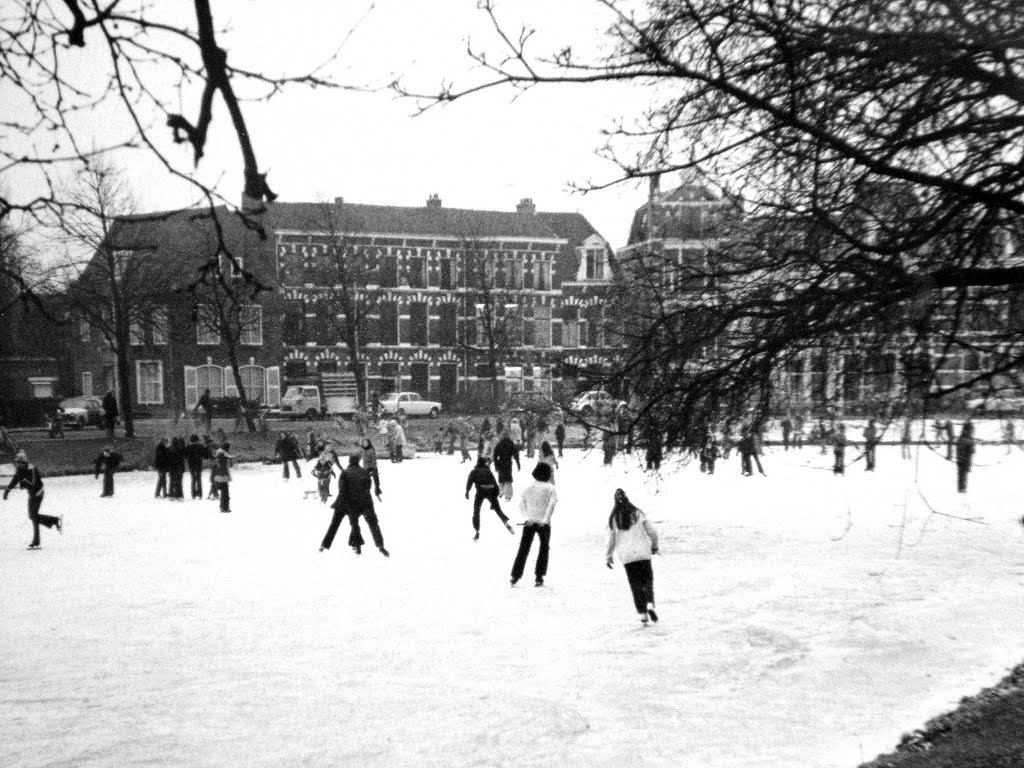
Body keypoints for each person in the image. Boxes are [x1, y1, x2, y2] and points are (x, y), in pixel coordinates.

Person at [605, 488, 660, 624]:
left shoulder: (614, 519)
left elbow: (611, 539)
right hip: (643, 553)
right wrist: (654, 545)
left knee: (635, 584)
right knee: (647, 580)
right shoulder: (638, 513)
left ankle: (642, 613)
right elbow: (652, 531)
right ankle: (650, 604)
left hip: (627, 556)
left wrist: (608, 556)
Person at [320, 452, 389, 557]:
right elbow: (368, 487)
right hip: (365, 502)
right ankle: (380, 545)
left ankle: (325, 545)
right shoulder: (365, 472)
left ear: (349, 461)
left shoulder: (345, 472)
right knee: (373, 525)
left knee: (336, 525)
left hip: (345, 502)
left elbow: (342, 489)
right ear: (358, 461)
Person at [510, 462, 557, 587]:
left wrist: (526, 518)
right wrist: (545, 520)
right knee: (544, 548)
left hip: (529, 522)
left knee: (524, 548)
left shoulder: (529, 487)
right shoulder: (551, 488)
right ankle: (539, 576)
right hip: (544, 524)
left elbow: (521, 504)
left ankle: (515, 575)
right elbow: (551, 505)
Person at [4, 451, 61, 549]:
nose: (17, 464)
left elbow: (33, 483)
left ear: (24, 462)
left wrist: (24, 481)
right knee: (32, 516)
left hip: (38, 493)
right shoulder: (20, 470)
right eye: (16, 463)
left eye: (19, 463)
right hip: (32, 494)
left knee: (33, 516)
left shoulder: (32, 469)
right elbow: (15, 479)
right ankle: (54, 520)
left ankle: (36, 542)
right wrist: (7, 490)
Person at [465, 456, 514, 540]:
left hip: (480, 491)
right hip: (491, 490)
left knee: (476, 511)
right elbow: (495, 483)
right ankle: (504, 520)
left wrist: (467, 491)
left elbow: (469, 482)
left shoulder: (474, 471)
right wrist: (494, 499)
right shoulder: (488, 471)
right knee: (498, 509)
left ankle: (477, 530)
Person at [492, 429, 521, 501]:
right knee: (508, 479)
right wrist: (518, 463)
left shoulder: (499, 444)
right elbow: (515, 454)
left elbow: (495, 455)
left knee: (501, 479)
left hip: (500, 462)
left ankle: (500, 492)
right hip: (508, 463)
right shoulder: (511, 443)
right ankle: (508, 495)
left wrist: (495, 465)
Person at [212, 442, 234, 513]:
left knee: (223, 493)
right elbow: (229, 457)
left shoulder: (219, 453)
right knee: (225, 493)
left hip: (218, 475)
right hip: (223, 476)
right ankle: (225, 508)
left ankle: (222, 507)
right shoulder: (223, 454)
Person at [184, 434, 207, 499]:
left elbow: (185, 456)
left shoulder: (188, 446)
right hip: (199, 463)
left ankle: (193, 494)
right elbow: (204, 454)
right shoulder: (200, 446)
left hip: (191, 464)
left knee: (193, 479)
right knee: (199, 479)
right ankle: (200, 494)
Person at [956, 421, 975, 494]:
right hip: (964, 459)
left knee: (962, 474)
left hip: (962, 459)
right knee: (963, 474)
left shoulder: (962, 437)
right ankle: (962, 488)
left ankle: (962, 487)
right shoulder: (967, 438)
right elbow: (971, 450)